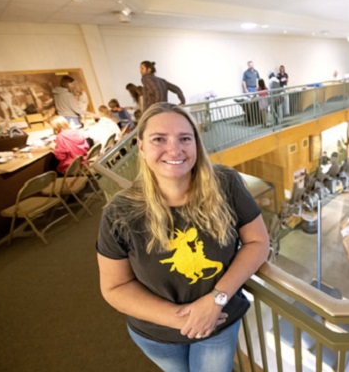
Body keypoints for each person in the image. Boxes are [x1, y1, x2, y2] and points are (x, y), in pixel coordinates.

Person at [96, 102, 269, 372]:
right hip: (156, 334)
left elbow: (258, 242)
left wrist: (216, 300)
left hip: (217, 322)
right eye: (159, 139)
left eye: (185, 138)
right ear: (141, 147)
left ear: (196, 144)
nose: (174, 150)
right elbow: (114, 288)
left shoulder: (226, 183)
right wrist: (182, 319)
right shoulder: (119, 212)